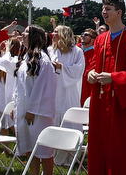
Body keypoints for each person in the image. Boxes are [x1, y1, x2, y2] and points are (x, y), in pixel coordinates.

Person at [85, 0, 126, 175]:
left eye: (108, 9)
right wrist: (90, 73)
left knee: (123, 150)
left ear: (119, 12)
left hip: (123, 106)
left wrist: (114, 78)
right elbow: (93, 65)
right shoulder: (100, 39)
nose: (104, 12)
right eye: (103, 8)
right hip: (101, 103)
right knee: (99, 147)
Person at [15, 24, 58, 175]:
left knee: (44, 150)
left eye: (27, 32)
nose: (23, 34)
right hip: (25, 110)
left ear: (35, 37)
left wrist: (31, 111)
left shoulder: (43, 61)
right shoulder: (27, 58)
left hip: (38, 113)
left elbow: (43, 89)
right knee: (31, 150)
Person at [47, 23, 84, 165]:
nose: (52, 34)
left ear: (63, 34)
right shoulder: (51, 50)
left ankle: (69, 155)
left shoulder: (76, 52)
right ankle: (54, 153)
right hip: (54, 90)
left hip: (69, 91)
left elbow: (78, 70)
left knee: (68, 118)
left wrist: (61, 67)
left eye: (56, 32)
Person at [78, 29, 96, 106]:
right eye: (82, 34)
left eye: (86, 35)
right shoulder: (76, 50)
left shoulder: (95, 53)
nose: (82, 36)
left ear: (93, 39)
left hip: (86, 87)